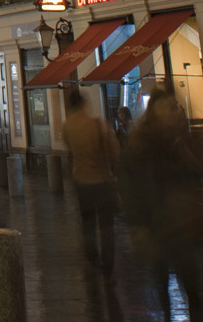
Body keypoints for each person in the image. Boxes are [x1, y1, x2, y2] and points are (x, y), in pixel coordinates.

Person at [122, 90, 203, 321]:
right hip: (157, 227)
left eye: (175, 107)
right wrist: (138, 224)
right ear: (154, 114)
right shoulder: (141, 146)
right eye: (168, 108)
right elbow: (133, 188)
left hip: (187, 227)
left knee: (195, 289)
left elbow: (200, 178)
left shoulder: (186, 142)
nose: (174, 112)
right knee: (162, 284)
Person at [63, 87, 121, 277]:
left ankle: (92, 256)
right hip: (102, 181)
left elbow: (70, 150)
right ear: (84, 105)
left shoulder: (67, 126)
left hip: (81, 180)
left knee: (87, 222)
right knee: (106, 226)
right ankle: (109, 263)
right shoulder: (98, 124)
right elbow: (114, 153)